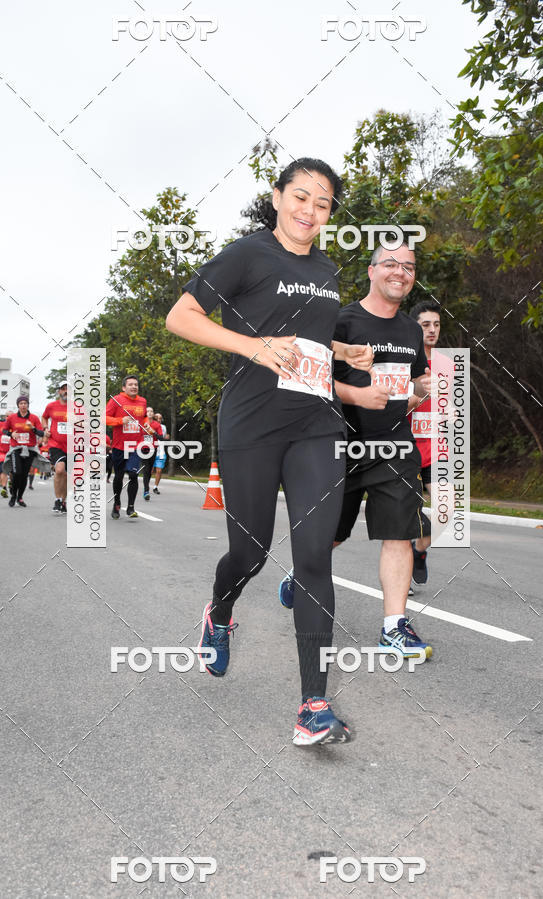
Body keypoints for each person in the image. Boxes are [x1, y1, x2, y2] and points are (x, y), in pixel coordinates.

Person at [166, 157, 374, 746]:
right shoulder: (248, 253)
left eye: (324, 203)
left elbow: (301, 334)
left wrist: (342, 352)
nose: (311, 210)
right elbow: (181, 317)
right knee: (251, 551)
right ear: (278, 196)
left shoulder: (330, 270)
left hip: (316, 423)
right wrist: (253, 348)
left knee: (313, 556)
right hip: (251, 424)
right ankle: (220, 610)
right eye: (301, 197)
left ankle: (313, 704)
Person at [280, 243, 433, 659]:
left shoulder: (410, 330)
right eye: (390, 264)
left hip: (395, 446)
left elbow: (413, 381)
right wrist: (356, 395)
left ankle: (393, 627)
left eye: (408, 266)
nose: (399, 272)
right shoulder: (340, 321)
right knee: (332, 534)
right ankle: (300, 572)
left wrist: (422, 387)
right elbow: (305, 375)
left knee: (401, 534)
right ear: (371, 271)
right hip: (339, 444)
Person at [407, 300, 441, 584]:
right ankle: (403, 563)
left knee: (450, 513)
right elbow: (393, 409)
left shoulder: (447, 365)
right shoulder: (405, 364)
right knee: (414, 521)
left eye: (437, 324)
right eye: (425, 325)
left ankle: (418, 553)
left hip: (436, 453)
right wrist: (416, 396)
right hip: (406, 452)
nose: (432, 330)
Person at [106, 376, 154, 519]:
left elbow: (144, 417)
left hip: (136, 445)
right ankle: (116, 503)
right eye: (130, 384)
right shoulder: (116, 400)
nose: (134, 387)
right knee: (119, 477)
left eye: (136, 384)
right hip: (119, 446)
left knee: (133, 474)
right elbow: (105, 418)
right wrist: (120, 420)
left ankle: (131, 506)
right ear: (123, 387)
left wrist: (146, 423)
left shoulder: (142, 401)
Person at [1, 396, 49, 507]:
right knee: (17, 473)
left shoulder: (34, 418)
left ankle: (20, 497)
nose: (23, 405)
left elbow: (41, 433)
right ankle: (13, 496)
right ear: (18, 405)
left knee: (24, 475)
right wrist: (11, 434)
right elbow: (4, 430)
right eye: (21, 403)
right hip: (16, 449)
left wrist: (32, 428)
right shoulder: (12, 417)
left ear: (28, 405)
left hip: (30, 449)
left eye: (25, 403)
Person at [42, 382, 68, 513]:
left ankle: (64, 501)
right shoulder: (51, 406)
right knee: (59, 470)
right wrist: (46, 429)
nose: (66, 391)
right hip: (56, 444)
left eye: (68, 389)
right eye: (63, 389)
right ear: (59, 391)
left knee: (67, 475)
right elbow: (44, 417)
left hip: (72, 445)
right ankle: (58, 500)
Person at [141, 406, 163, 500]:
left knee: (149, 470)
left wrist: (153, 431)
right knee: (146, 469)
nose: (150, 412)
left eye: (151, 411)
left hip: (153, 449)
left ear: (153, 414)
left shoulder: (157, 425)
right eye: (148, 411)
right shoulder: (141, 423)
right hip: (142, 449)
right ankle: (146, 490)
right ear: (145, 413)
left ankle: (146, 488)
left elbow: (161, 438)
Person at [152, 413, 168, 494]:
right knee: (150, 471)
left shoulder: (164, 427)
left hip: (161, 451)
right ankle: (146, 487)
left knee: (159, 470)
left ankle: (155, 487)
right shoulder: (149, 426)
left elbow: (163, 437)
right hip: (151, 451)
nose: (159, 420)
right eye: (157, 418)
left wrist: (166, 437)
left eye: (160, 418)